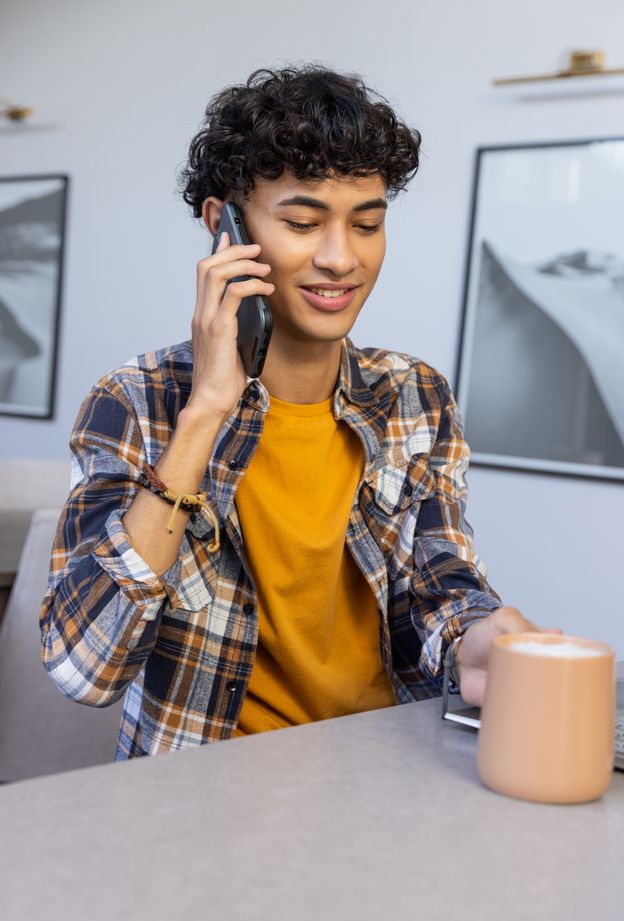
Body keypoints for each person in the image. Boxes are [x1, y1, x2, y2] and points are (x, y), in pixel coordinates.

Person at [40, 65, 549, 759]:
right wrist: (206, 414)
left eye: (367, 224)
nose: (341, 258)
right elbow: (85, 670)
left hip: (383, 770)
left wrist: (475, 634)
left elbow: (437, 581)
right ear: (224, 227)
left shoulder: (414, 394)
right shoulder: (137, 401)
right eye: (304, 222)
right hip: (205, 797)